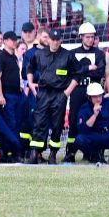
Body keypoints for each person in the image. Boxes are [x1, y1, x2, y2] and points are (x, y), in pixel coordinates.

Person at [28, 28, 74, 164]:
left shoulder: (68, 55)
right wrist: (31, 84)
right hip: (43, 93)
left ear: (61, 40)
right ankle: (35, 153)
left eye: (57, 40)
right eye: (52, 39)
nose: (55, 42)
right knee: (39, 122)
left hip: (60, 93)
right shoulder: (39, 54)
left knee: (57, 124)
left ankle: (53, 154)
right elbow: (29, 68)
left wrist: (67, 92)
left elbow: (76, 75)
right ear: (48, 40)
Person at [65, 22, 107, 161]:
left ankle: (93, 152)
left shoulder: (99, 54)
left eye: (92, 37)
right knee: (74, 120)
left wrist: (82, 71)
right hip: (77, 90)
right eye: (87, 37)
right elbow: (72, 71)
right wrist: (89, 68)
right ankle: (70, 152)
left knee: (96, 119)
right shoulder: (73, 53)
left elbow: (100, 72)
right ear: (81, 37)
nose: (90, 39)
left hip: (94, 92)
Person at [0, 32, 24, 162]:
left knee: (16, 124)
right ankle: (11, 152)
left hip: (17, 95)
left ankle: (14, 151)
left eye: (16, 40)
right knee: (10, 124)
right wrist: (0, 95)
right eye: (12, 40)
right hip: (7, 96)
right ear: (5, 41)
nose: (15, 42)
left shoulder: (14, 57)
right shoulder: (1, 57)